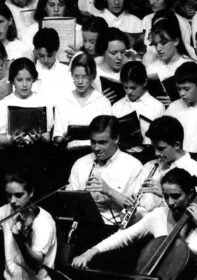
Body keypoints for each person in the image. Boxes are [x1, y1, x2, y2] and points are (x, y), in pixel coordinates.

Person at [66, 115, 144, 246]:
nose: (96, 148)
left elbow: (138, 211)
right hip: (84, 230)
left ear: (116, 138)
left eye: (102, 142)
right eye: (93, 142)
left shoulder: (134, 166)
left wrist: (110, 192)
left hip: (118, 234)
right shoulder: (81, 163)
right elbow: (70, 201)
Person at [53, 53, 112, 148]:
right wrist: (62, 139)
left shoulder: (103, 102)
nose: (80, 81)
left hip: (96, 153)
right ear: (71, 75)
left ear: (92, 76)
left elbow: (108, 136)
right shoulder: (63, 101)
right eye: (76, 76)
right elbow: (57, 135)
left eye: (84, 77)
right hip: (69, 153)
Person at [0, 57, 52, 148]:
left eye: (28, 79)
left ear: (33, 79)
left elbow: (47, 136)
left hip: (37, 151)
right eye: (19, 80)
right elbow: (0, 138)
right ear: (12, 81)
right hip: (12, 152)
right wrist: (11, 141)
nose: (24, 85)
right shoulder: (1, 105)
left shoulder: (43, 103)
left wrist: (40, 139)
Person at [112, 60, 165, 143]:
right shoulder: (116, 107)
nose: (129, 92)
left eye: (133, 88)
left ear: (144, 82)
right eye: (126, 87)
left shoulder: (157, 107)